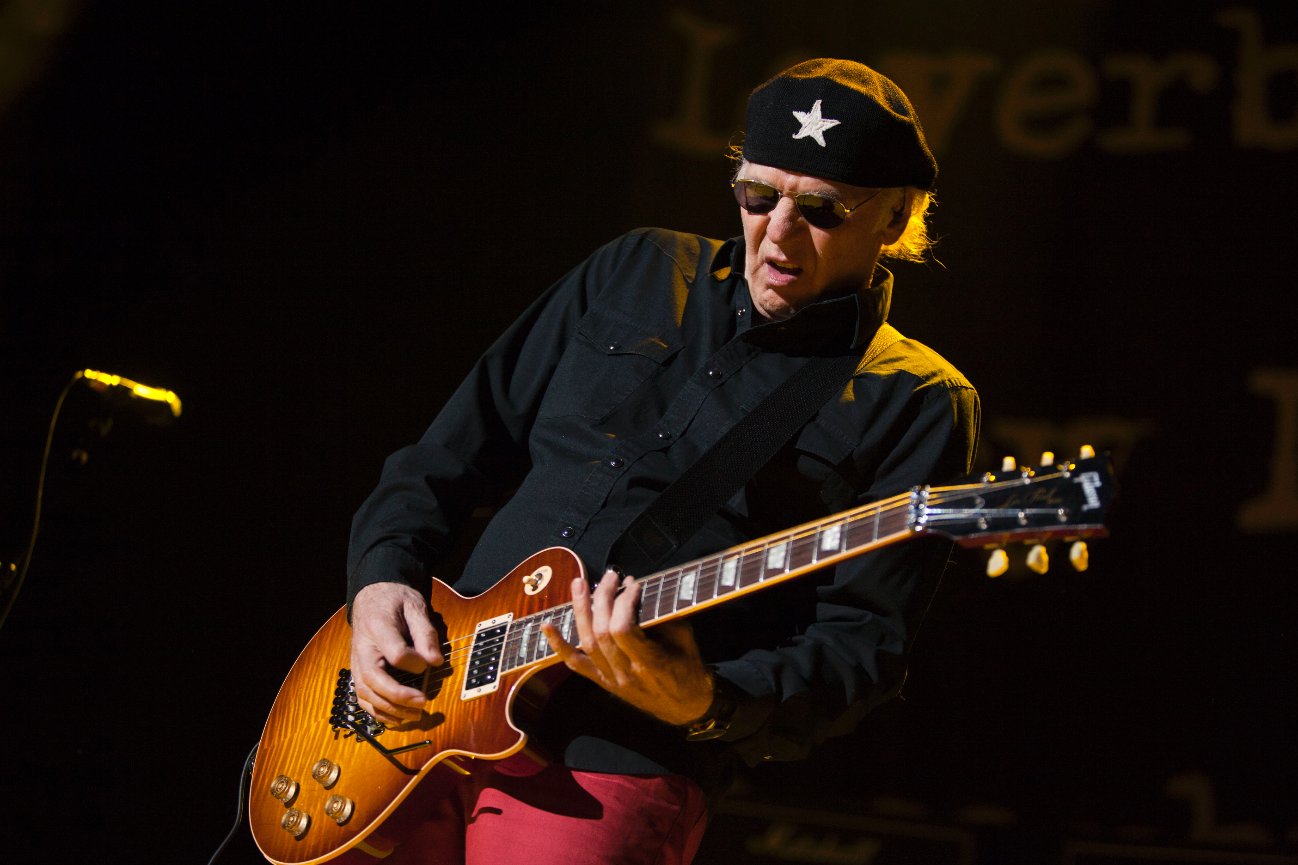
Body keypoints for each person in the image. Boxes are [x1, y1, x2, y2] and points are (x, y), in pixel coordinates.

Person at [345, 58, 980, 864]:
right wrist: (381, 579)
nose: (779, 233)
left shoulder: (917, 398)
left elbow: (859, 651)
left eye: (821, 209)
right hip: (418, 704)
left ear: (895, 216)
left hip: (612, 761)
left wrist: (705, 701)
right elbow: (448, 452)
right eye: (759, 195)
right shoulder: (637, 268)